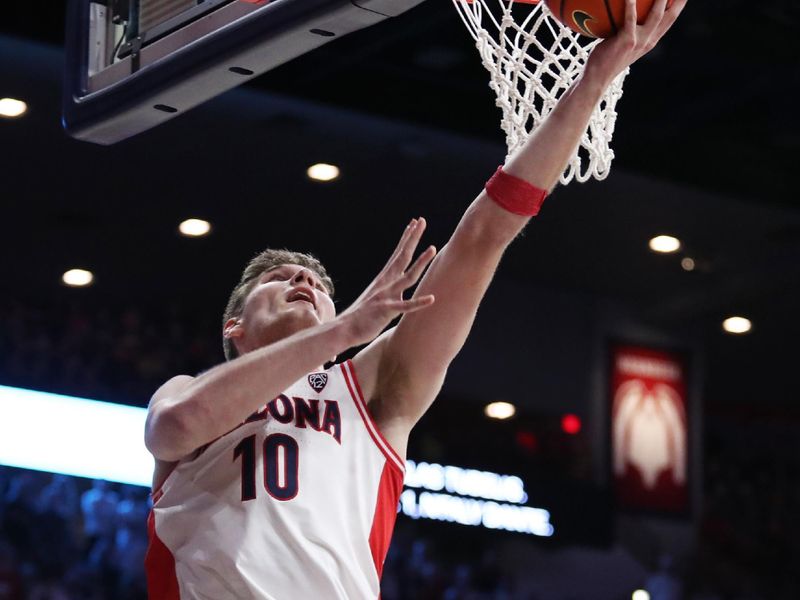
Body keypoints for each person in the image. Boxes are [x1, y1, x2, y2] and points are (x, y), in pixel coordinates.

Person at [143, 1, 687, 597]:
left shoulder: (373, 388)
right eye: (281, 279)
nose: (305, 281)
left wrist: (597, 76)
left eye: (319, 285)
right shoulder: (185, 390)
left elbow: (485, 234)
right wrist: (340, 332)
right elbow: (177, 427)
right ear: (234, 326)